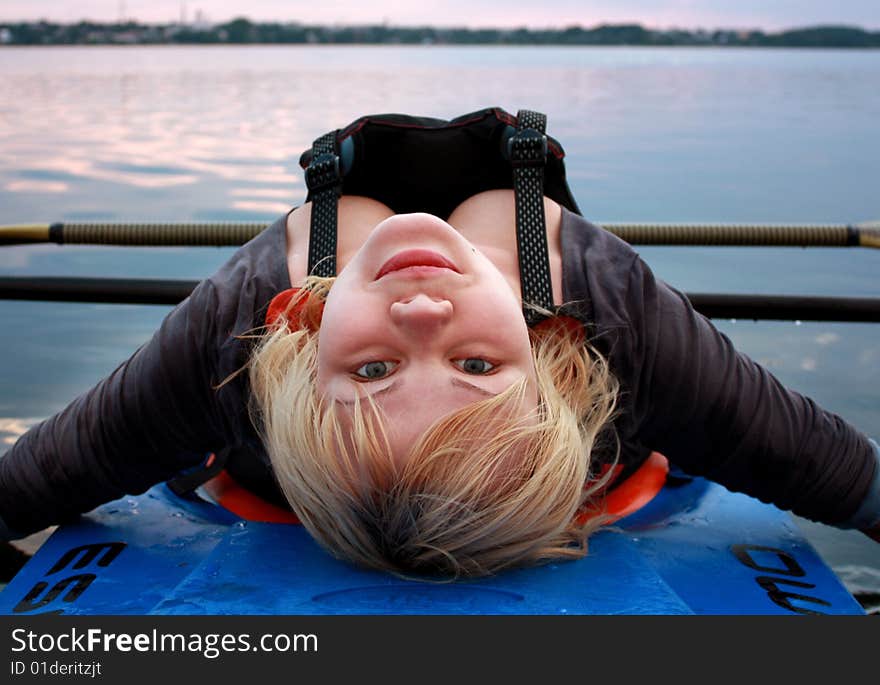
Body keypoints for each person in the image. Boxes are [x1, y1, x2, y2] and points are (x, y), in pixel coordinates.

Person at [1, 109, 878, 579]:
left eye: (374, 370)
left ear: (300, 350)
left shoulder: (232, 342)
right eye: (476, 366)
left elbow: (47, 472)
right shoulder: (618, 327)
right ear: (550, 357)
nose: (423, 316)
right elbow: (824, 465)